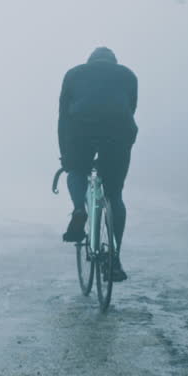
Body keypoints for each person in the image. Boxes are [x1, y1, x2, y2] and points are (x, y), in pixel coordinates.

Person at [58, 46, 138, 281]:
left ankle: (80, 210)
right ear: (114, 62)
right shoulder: (128, 75)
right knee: (115, 195)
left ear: (89, 62)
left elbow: (63, 117)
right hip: (118, 133)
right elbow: (130, 109)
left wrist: (66, 156)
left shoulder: (73, 74)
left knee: (77, 171)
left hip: (81, 131)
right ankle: (114, 259)